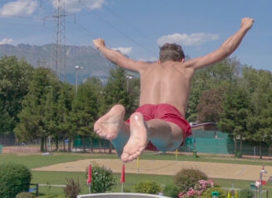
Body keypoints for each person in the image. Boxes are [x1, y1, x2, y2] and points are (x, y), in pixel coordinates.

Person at [93, 18, 254, 162]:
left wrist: (101, 47)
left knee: (126, 138)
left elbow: (119, 59)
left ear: (159, 60)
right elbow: (224, 50)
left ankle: (121, 126)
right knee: (169, 141)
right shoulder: (186, 67)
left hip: (144, 110)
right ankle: (144, 127)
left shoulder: (145, 67)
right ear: (182, 59)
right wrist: (244, 28)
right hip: (168, 113)